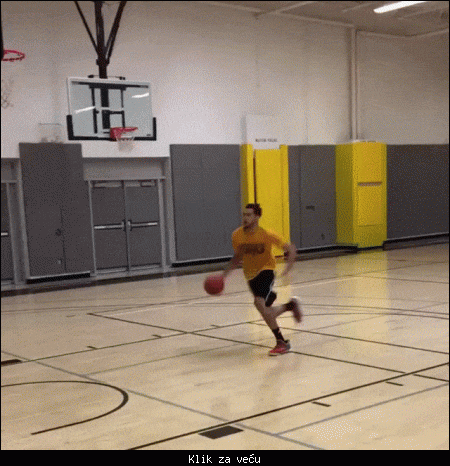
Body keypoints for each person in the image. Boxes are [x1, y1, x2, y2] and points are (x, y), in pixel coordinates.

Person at [222, 203, 302, 356]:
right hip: (250, 275)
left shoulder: (267, 234)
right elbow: (237, 257)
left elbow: (291, 249)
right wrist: (223, 277)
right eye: (244, 215)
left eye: (249, 215)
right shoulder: (237, 235)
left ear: (257, 217)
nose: (245, 218)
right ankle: (290, 305)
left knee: (259, 303)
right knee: (265, 311)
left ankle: (281, 342)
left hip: (266, 270)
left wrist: (287, 270)